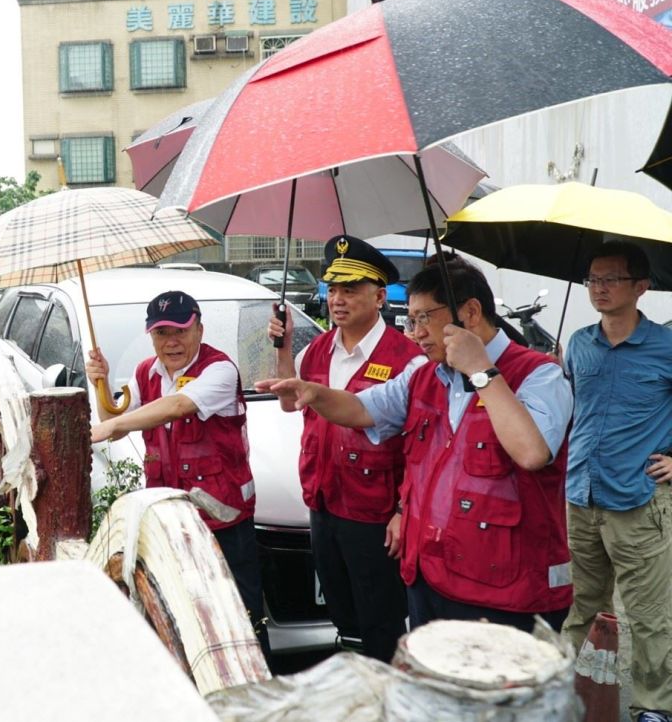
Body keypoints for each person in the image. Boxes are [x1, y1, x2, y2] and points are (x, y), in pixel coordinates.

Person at [257, 253, 574, 633]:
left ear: (471, 313)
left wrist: (480, 370)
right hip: (431, 578)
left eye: (425, 318)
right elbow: (361, 409)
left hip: (507, 592)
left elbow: (531, 452)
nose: (417, 332)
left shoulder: (539, 375)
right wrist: (315, 393)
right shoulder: (425, 377)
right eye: (412, 320)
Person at [266, 236, 424, 662]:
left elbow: (420, 447)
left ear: (379, 296)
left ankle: (387, 688)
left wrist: (404, 510)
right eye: (333, 288)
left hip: (376, 511)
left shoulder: (409, 361)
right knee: (341, 612)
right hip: (323, 503)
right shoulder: (317, 348)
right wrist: (284, 348)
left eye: (350, 289)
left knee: (382, 619)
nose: (337, 299)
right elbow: (289, 402)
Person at [88, 290, 269, 661]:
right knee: (182, 613)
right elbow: (114, 420)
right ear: (150, 335)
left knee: (241, 618)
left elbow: (177, 406)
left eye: (180, 331)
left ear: (199, 329)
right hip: (170, 520)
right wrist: (100, 382)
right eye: (161, 333)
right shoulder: (145, 372)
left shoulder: (220, 370)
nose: (171, 342)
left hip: (222, 521)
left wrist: (113, 425)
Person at [563, 241, 672, 722]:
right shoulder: (578, 343)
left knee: (649, 614)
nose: (598, 288)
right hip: (580, 495)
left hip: (639, 501)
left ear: (641, 286)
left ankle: (654, 706)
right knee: (581, 605)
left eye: (611, 279)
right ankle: (571, 696)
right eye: (592, 279)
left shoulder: (666, 347)